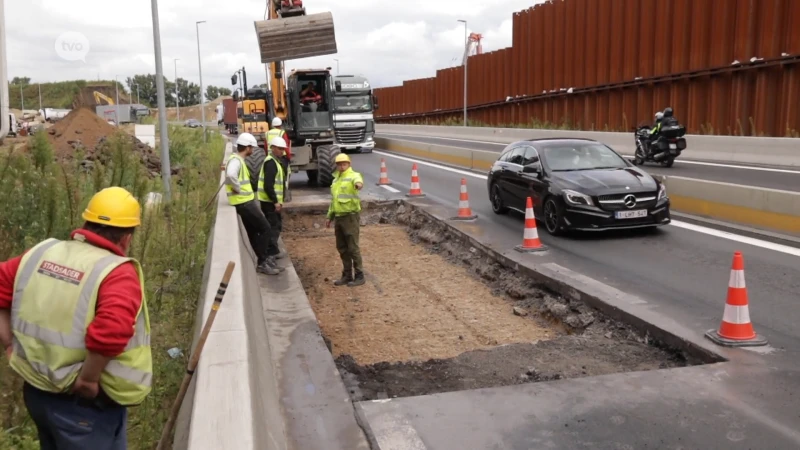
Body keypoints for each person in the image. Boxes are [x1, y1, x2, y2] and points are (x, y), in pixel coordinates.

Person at [0, 186, 151, 449]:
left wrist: (8, 342)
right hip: (82, 406)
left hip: (37, 392)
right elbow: (110, 333)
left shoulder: (41, 252)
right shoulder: (117, 273)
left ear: (85, 223)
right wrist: (89, 379)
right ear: (127, 237)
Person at [225, 133, 281, 275]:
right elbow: (231, 175)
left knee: (254, 233)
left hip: (243, 202)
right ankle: (263, 261)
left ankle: (263, 261)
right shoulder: (236, 161)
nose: (253, 151)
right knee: (265, 228)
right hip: (244, 203)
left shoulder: (237, 160)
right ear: (248, 147)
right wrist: (237, 188)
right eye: (252, 148)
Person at [325, 153, 365, 287]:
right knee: (342, 247)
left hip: (350, 216)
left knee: (353, 247)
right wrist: (329, 216)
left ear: (349, 164)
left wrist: (358, 185)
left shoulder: (353, 176)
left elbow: (358, 181)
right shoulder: (336, 180)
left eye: (344, 164)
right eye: (339, 164)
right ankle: (347, 275)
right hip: (339, 217)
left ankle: (359, 275)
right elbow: (334, 201)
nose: (341, 166)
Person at [258, 136, 288, 260]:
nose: (282, 151)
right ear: (273, 148)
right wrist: (275, 201)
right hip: (269, 202)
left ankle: (272, 251)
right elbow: (268, 185)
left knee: (275, 225)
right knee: (273, 226)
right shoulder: (271, 163)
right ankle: (271, 252)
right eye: (279, 149)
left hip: (269, 201)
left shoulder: (275, 162)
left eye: (283, 149)